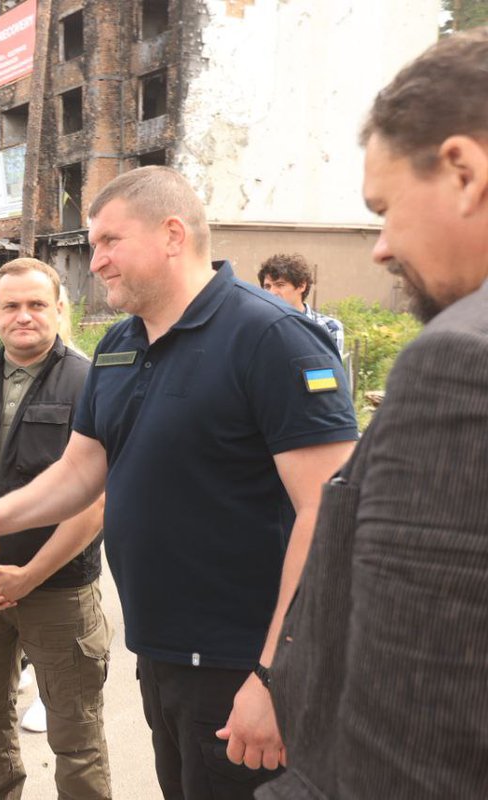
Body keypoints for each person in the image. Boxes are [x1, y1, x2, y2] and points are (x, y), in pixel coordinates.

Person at [0, 166, 360, 799]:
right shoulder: (121, 345)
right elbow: (80, 471)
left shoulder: (273, 338)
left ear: (173, 234)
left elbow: (332, 511)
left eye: (109, 242)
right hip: (165, 655)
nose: (95, 262)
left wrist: (275, 675)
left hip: (245, 668)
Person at [258, 30, 488, 800]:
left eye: (384, 209)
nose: (382, 247)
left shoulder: (461, 362)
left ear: (463, 170)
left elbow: (421, 749)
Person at [0, 258, 111, 799]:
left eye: (37, 304)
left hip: (58, 590)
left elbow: (93, 502)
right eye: (11, 305)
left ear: (60, 309)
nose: (23, 316)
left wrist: (30, 575)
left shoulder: (91, 382)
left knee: (77, 741)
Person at [257, 253, 345, 354]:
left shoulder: (329, 327)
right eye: (267, 287)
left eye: (280, 285)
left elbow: (329, 368)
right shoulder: (260, 327)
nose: (271, 292)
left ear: (301, 286)